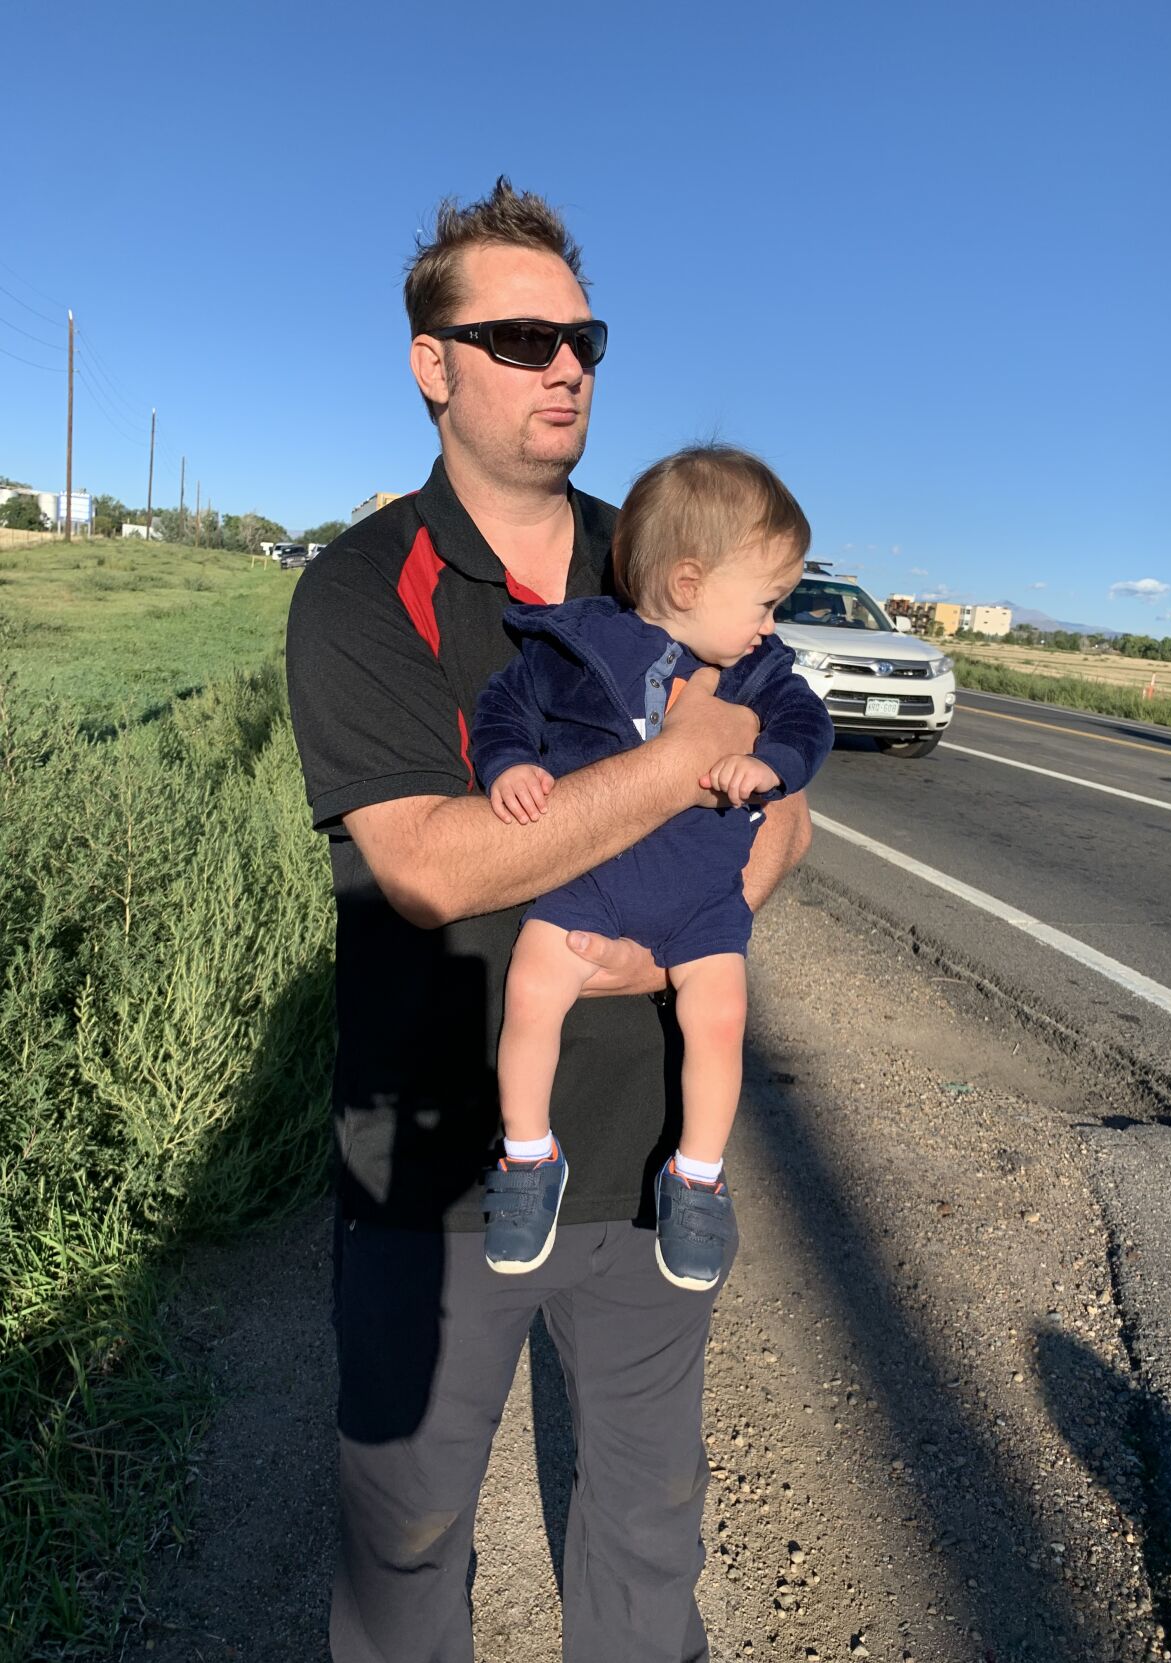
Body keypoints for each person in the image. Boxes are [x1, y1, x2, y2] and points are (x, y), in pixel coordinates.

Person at [285, 178, 814, 1663]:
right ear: (431, 365)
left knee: (647, 1539)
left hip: (648, 1166)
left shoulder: (655, 552)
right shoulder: (357, 591)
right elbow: (435, 867)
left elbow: (785, 801)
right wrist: (672, 759)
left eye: (580, 334)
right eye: (516, 336)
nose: (564, 363)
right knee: (404, 1545)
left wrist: (693, 919)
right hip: (440, 1172)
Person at [473, 447, 834, 1289]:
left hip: (702, 897)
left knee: (719, 1017)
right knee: (530, 992)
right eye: (765, 601)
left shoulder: (761, 674)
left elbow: (807, 725)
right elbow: (504, 706)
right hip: (590, 880)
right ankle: (528, 1152)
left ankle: (696, 1174)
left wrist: (772, 763)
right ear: (686, 583)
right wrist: (506, 764)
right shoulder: (577, 648)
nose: (770, 625)